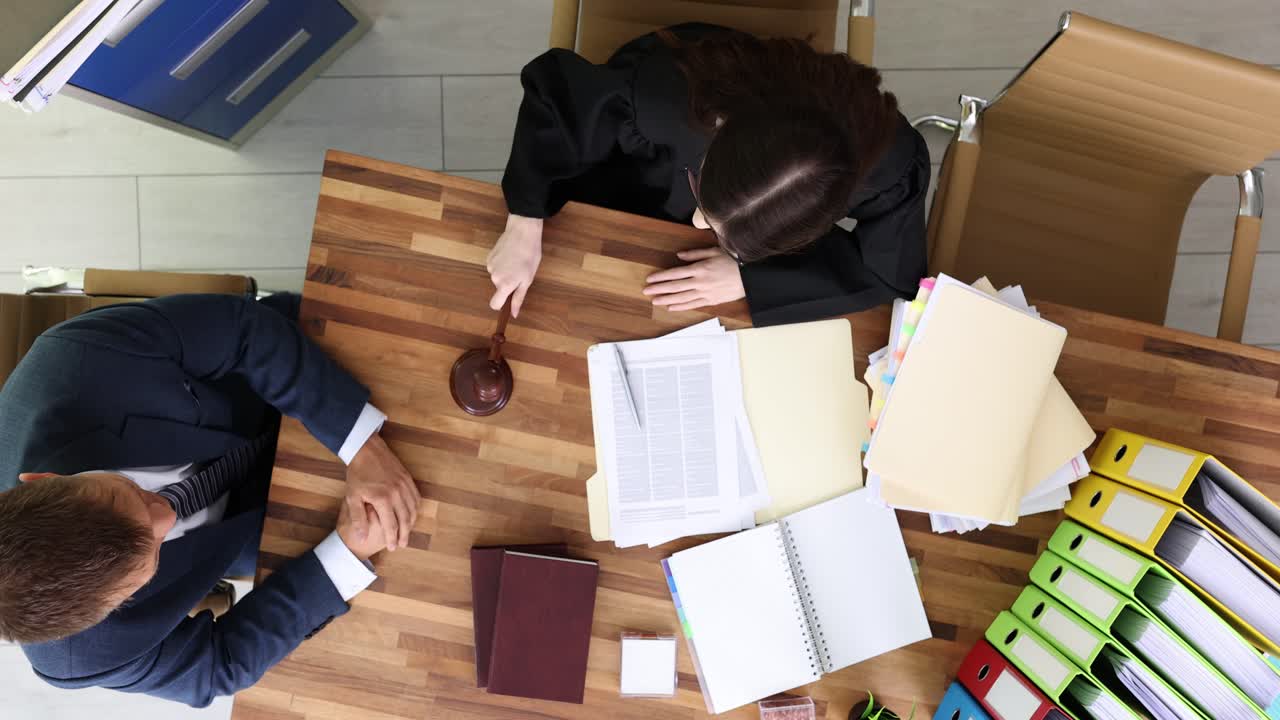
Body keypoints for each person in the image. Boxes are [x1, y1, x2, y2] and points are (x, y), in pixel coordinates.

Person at [0, 293, 421, 707]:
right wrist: (344, 555)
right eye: (149, 561)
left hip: (284, 379)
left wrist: (361, 444)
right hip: (251, 531)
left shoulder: (77, 359)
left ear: (41, 479)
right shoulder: (79, 655)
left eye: (130, 496)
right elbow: (222, 664)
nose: (165, 518)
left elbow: (245, 333)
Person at [489, 23, 930, 326]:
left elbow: (890, 274)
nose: (699, 222)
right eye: (705, 202)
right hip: (645, 171)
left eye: (721, 231)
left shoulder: (890, 163)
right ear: (722, 130)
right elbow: (560, 99)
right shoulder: (666, 98)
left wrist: (749, 278)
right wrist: (524, 219)